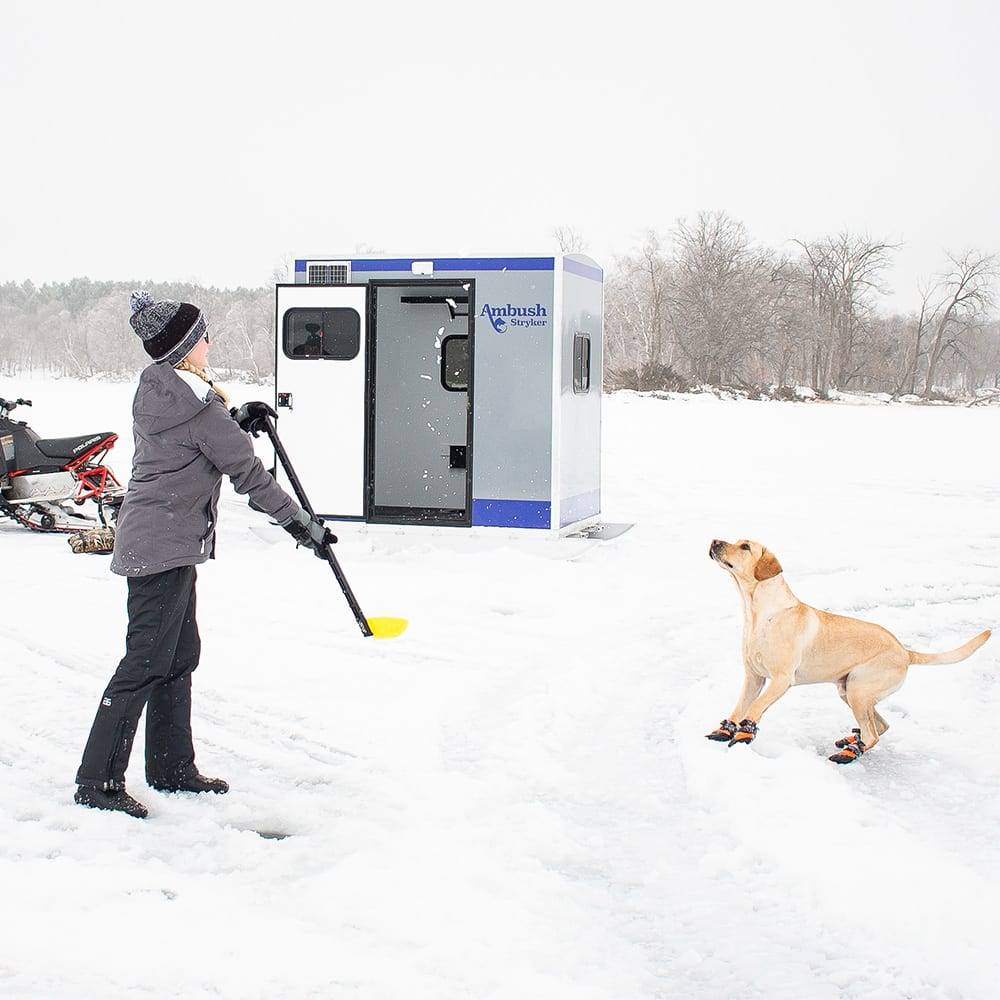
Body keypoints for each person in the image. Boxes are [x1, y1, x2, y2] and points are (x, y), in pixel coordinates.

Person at [74, 290, 335, 819]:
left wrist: (236, 416)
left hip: (159, 539)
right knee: (145, 662)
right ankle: (96, 782)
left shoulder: (161, 391)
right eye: (204, 336)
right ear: (186, 348)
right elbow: (250, 476)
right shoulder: (196, 408)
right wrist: (301, 525)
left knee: (177, 655)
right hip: (163, 545)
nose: (210, 342)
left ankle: (170, 767)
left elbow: (202, 436)